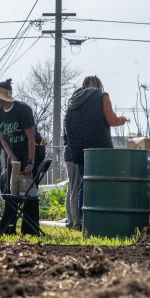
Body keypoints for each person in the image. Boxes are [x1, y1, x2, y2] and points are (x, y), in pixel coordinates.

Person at [0, 78, 45, 236]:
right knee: (12, 190)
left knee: (28, 190)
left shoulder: (23, 109)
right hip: (14, 152)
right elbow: (3, 138)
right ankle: (7, 229)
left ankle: (30, 230)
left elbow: (31, 138)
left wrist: (30, 162)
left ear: (3, 97)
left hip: (33, 150)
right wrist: (12, 157)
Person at [64, 75, 127, 216]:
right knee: (102, 182)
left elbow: (68, 128)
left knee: (84, 184)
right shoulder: (102, 96)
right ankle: (100, 215)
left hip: (80, 151)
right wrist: (122, 120)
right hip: (100, 151)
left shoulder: (73, 101)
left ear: (84, 85)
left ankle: (83, 219)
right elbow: (111, 119)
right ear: (99, 85)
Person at [63, 131, 81, 230]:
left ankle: (71, 221)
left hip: (69, 156)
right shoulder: (73, 115)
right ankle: (76, 223)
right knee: (75, 189)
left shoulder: (68, 116)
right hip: (73, 156)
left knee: (71, 189)